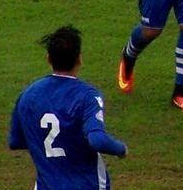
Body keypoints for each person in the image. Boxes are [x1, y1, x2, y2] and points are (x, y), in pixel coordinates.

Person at [9, 25, 129, 189]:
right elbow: (98, 140)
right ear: (79, 58)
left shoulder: (28, 95)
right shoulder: (87, 96)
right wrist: (121, 149)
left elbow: (15, 141)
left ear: (49, 59)